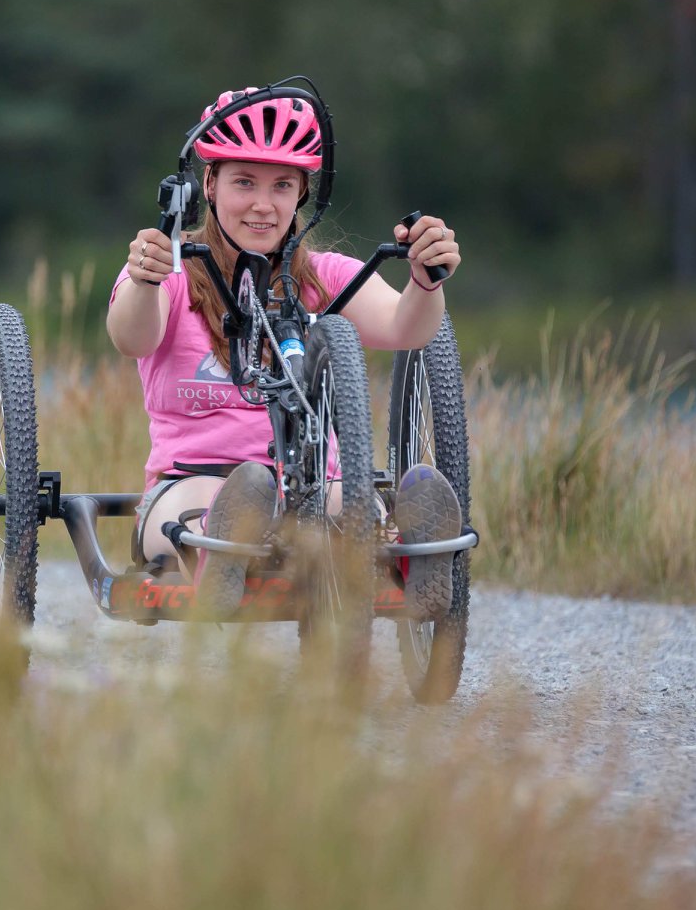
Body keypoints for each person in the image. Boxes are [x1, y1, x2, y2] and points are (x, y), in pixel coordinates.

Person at [107, 88, 463, 618]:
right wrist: (144, 279)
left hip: (314, 491)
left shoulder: (324, 278)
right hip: (192, 482)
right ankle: (221, 554)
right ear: (209, 183)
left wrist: (424, 280)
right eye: (244, 182)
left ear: (300, 195)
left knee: (350, 506)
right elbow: (131, 338)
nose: (262, 204)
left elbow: (406, 328)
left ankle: (410, 554)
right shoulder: (170, 269)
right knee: (217, 502)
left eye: (281, 186)